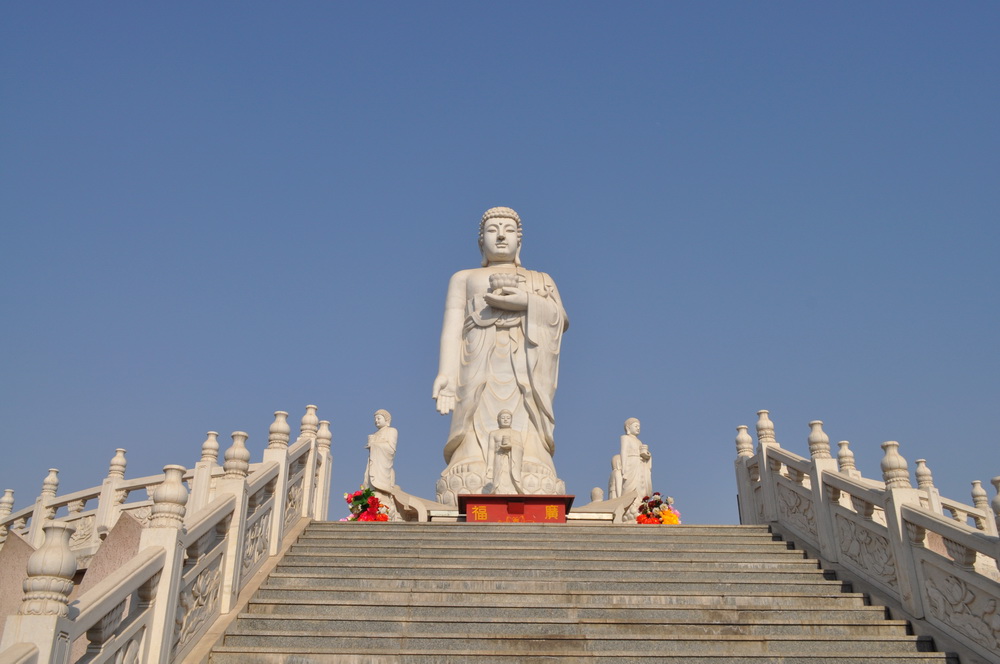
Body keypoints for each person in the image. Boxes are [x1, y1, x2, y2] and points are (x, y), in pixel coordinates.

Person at [432, 207, 568, 504]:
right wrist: (445, 374)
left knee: (528, 408)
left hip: (526, 362)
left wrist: (526, 303)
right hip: (478, 360)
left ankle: (532, 458)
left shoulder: (540, 280)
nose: (501, 235)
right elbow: (452, 329)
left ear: (520, 240)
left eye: (508, 229)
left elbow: (560, 318)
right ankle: (469, 456)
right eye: (492, 230)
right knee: (474, 411)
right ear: (481, 241)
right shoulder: (464, 278)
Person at [486, 410, 524, 494]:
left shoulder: (516, 433)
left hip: (511, 459)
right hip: (498, 457)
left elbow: (521, 448)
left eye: (508, 418)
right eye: (503, 418)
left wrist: (512, 447)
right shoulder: (493, 433)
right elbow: (491, 450)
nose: (505, 420)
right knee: (500, 474)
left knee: (510, 474)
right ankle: (499, 490)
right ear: (498, 420)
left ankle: (513, 490)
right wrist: (489, 465)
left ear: (511, 420)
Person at [363, 409, 397, 491]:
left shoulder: (392, 430)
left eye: (378, 418)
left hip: (383, 464)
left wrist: (374, 445)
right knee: (368, 478)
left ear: (386, 419)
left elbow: (391, 449)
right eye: (375, 419)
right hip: (374, 461)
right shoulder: (375, 434)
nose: (376, 421)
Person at [620, 418, 652, 499]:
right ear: (628, 427)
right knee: (629, 488)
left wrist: (647, 455)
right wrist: (624, 469)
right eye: (636, 426)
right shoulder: (625, 438)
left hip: (640, 465)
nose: (638, 428)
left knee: (641, 488)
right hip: (631, 464)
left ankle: (640, 505)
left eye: (639, 426)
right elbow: (623, 452)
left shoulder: (639, 441)